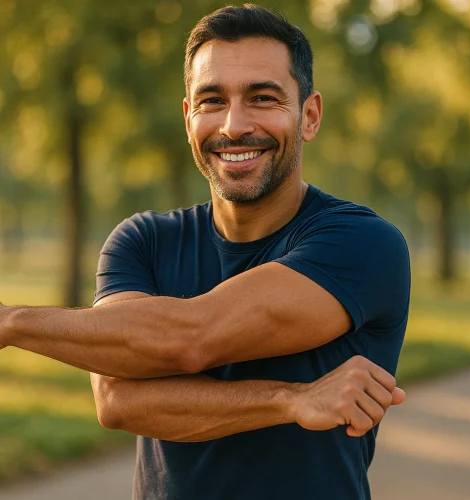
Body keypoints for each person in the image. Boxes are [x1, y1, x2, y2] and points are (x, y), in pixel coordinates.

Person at [0, 4, 411, 500]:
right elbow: (119, 400)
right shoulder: (142, 241)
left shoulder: (363, 243)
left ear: (309, 115)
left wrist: (10, 323)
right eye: (212, 100)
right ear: (188, 116)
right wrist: (290, 400)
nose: (234, 126)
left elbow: (194, 337)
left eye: (262, 98)